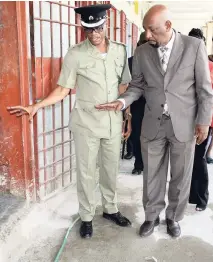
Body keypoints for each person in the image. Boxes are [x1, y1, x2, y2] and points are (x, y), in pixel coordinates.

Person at [7, 4, 132, 239]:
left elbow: (124, 84)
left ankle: (110, 208)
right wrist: (36, 106)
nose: (94, 34)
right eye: (88, 30)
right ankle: (86, 217)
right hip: (86, 123)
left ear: (105, 25)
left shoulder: (120, 50)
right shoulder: (76, 54)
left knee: (110, 169)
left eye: (98, 28)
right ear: (83, 30)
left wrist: (127, 114)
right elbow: (63, 89)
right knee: (86, 172)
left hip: (113, 122)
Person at [96, 5, 213, 238]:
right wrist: (121, 102)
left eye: (152, 29)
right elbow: (137, 86)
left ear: (168, 26)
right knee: (151, 175)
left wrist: (203, 123)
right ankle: (151, 217)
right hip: (153, 122)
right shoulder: (142, 53)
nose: (147, 35)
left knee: (180, 176)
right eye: (145, 30)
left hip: (185, 123)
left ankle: (173, 218)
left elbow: (204, 89)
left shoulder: (194, 46)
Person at [188, 28, 213, 211]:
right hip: (189, 118)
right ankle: (191, 195)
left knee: (199, 158)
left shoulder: (207, 65)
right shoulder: (195, 64)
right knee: (189, 159)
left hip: (207, 121)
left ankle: (201, 199)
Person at [127, 32, 147, 175]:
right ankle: (138, 163)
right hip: (136, 103)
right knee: (137, 134)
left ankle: (150, 164)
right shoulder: (130, 62)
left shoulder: (160, 60)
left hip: (154, 104)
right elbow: (126, 84)